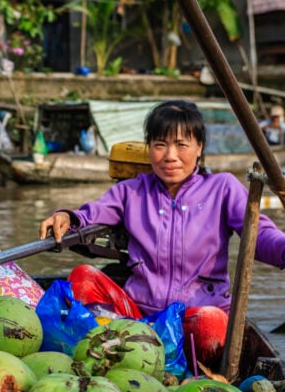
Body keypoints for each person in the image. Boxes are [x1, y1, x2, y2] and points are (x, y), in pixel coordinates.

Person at [39, 99, 285, 369]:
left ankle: (161, 358)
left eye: (181, 144)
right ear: (149, 148)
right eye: (160, 144)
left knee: (210, 323)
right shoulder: (132, 191)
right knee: (82, 278)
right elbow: (89, 215)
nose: (170, 156)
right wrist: (67, 217)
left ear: (199, 147)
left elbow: (259, 237)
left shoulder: (222, 188)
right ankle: (136, 352)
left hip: (193, 319)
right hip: (140, 317)